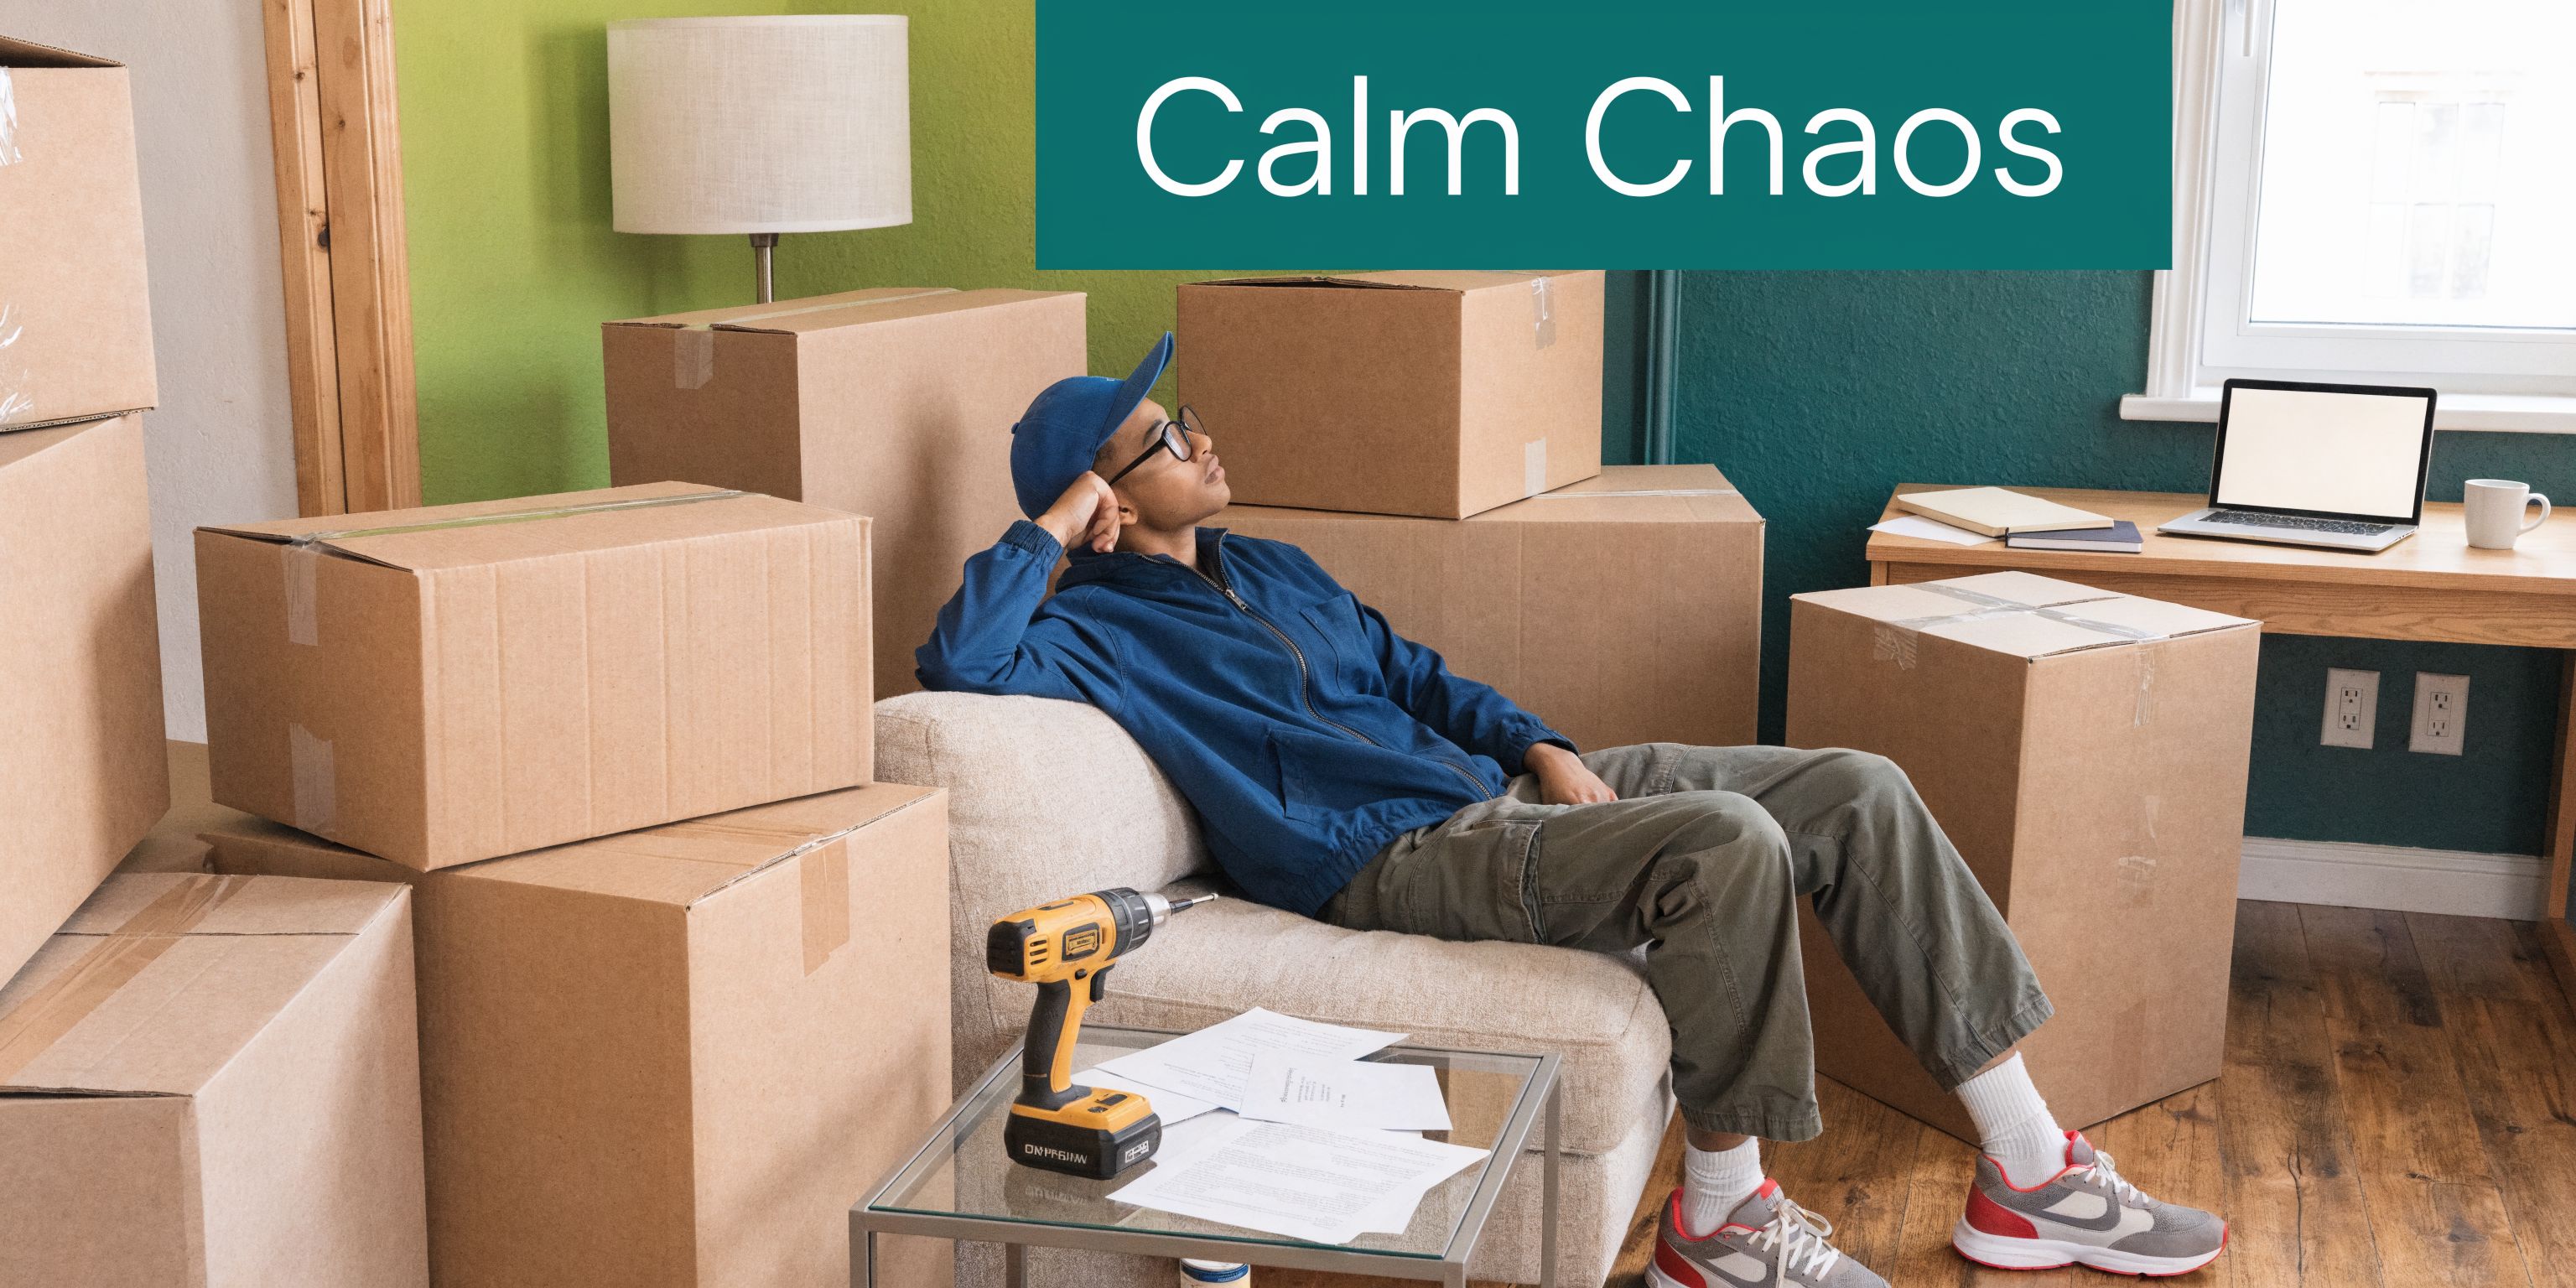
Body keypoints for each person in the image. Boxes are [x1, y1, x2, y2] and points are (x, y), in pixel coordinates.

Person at [919, 335, 2228, 1286]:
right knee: (1732, 846)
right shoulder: (1087, 627)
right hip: (1392, 859)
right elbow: (958, 661)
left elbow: (1417, 674)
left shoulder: (1276, 563)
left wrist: (1540, 745)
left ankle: (2029, 1167)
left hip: (1491, 796)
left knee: (1856, 789)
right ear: (1101, 500)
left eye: (1183, 413)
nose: (1200, 437)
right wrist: (1052, 526)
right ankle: (1721, 1221)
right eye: (1158, 438)